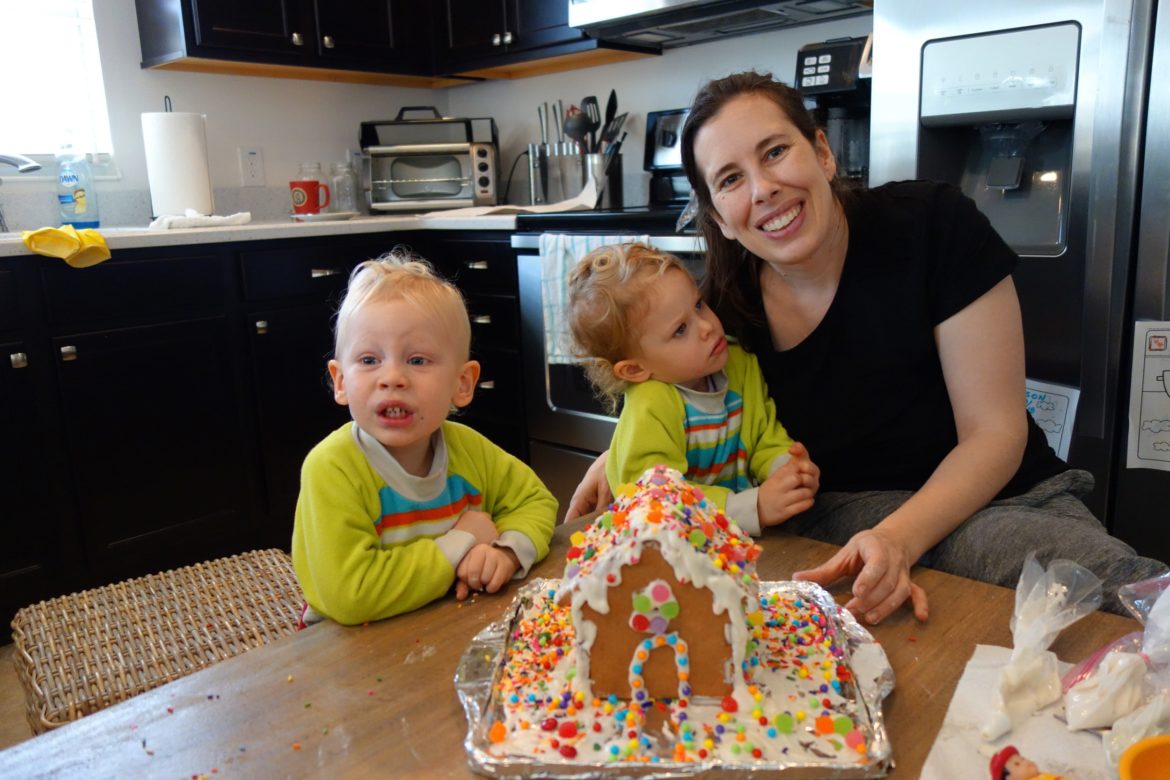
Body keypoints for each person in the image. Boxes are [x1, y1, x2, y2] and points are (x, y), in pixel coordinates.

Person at [566, 70, 1167, 624]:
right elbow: (678, 394)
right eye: (730, 180)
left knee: (1120, 598)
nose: (764, 188)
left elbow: (995, 434)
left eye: (775, 152)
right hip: (836, 526)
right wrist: (617, 455)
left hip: (1000, 505)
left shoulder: (933, 225)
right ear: (718, 217)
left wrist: (900, 538)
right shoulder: (725, 309)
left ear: (822, 153)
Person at [292, 250, 557, 625]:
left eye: (417, 360)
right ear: (340, 382)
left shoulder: (469, 450)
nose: (392, 377)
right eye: (369, 360)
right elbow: (351, 594)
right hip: (347, 658)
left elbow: (536, 501)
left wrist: (505, 551)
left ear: (462, 384)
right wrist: (462, 540)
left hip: (439, 628)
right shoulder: (332, 469)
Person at [566, 241, 819, 535]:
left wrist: (787, 471)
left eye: (699, 305)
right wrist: (753, 507)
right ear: (635, 369)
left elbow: (764, 435)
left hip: (729, 540)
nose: (708, 326)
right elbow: (658, 499)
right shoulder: (650, 405)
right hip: (667, 551)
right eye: (681, 329)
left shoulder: (739, 365)